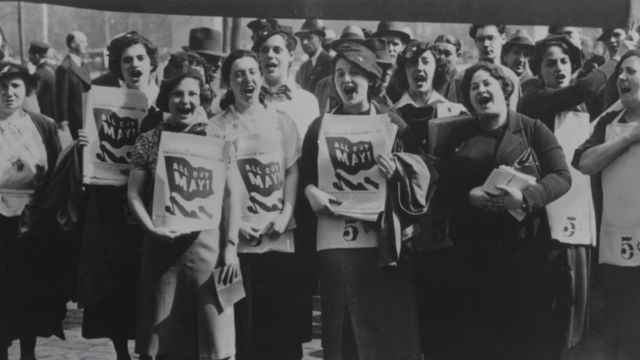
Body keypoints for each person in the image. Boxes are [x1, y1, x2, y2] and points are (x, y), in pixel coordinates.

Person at [299, 41, 424, 360]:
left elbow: (424, 176)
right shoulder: (319, 127)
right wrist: (311, 192)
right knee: (342, 338)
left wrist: (399, 170)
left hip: (382, 248)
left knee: (385, 339)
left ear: (372, 79)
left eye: (355, 72)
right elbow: (304, 179)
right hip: (337, 248)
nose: (346, 80)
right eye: (339, 73)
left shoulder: (393, 125)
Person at [439, 62, 571, 360]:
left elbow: (561, 177)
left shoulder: (532, 128)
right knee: (479, 339)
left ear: (504, 88)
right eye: (474, 87)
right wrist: (467, 196)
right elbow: (440, 183)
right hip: (471, 255)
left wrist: (525, 199)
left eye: (487, 84)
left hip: (524, 252)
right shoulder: (459, 135)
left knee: (523, 338)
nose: (481, 91)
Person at [520, 35, 628, 356]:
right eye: (550, 63)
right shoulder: (535, 98)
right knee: (551, 306)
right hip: (546, 216)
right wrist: (616, 57)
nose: (559, 68)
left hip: (579, 212)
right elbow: (587, 86)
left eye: (564, 62)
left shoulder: (582, 106)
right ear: (538, 70)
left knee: (578, 304)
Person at [127, 57, 238, 360]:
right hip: (163, 253)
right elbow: (134, 194)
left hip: (208, 251)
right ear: (167, 98)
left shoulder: (219, 138)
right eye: (178, 94)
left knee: (214, 342)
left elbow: (231, 195)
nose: (185, 101)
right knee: (161, 343)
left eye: (192, 94)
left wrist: (230, 246)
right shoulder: (149, 141)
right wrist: (150, 229)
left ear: (201, 97)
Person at [211, 49, 302, 360]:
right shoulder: (216, 126)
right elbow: (213, 188)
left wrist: (286, 214)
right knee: (242, 328)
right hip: (236, 245)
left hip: (278, 239)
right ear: (227, 82)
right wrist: (234, 227)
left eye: (252, 71)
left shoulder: (282, 122)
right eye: (238, 74)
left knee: (280, 328)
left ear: (261, 77)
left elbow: (291, 171)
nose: (247, 79)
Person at [76, 30, 160, 360]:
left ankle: (149, 349)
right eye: (127, 60)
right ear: (118, 66)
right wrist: (85, 145)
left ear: (151, 63)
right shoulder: (105, 101)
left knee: (148, 279)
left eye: (140, 58)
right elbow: (91, 159)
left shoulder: (162, 100)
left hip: (152, 200)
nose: (134, 65)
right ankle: (121, 351)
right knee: (116, 281)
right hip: (111, 200)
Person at [391, 40, 466, 359]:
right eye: (411, 64)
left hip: (446, 228)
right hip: (406, 231)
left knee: (444, 320)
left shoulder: (457, 114)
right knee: (407, 318)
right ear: (403, 70)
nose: (418, 69)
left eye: (425, 62)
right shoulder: (391, 116)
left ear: (437, 68)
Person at [573, 49, 640, 360]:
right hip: (619, 247)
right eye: (620, 73)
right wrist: (629, 137)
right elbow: (585, 162)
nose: (622, 79)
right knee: (620, 332)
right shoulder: (609, 122)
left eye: (631, 72)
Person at [0, 62, 63, 360]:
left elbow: (57, 174)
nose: (8, 92)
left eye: (15, 85)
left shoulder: (42, 125)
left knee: (29, 293)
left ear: (25, 89)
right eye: (2, 86)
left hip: (33, 223)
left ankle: (29, 354)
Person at [254, 21, 320, 137]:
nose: (269, 55)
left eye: (277, 50)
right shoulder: (248, 98)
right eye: (264, 50)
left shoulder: (308, 102)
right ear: (259, 57)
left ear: (290, 56)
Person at [451, 24, 521, 110]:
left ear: (503, 39)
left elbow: (515, 113)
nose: (486, 44)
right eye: (480, 40)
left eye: (490, 38)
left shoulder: (511, 77)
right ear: (475, 42)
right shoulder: (461, 78)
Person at [314, 25, 366, 114]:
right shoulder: (322, 85)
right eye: (346, 47)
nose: (350, 53)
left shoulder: (369, 85)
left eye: (355, 47)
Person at [56, 30, 91, 140]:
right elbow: (62, 96)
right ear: (72, 44)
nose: (86, 44)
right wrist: (63, 119)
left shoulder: (83, 64)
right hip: (76, 116)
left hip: (88, 112)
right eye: (82, 41)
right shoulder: (65, 67)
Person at [295, 18, 331, 93]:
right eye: (302, 39)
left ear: (320, 39)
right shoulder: (303, 67)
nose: (304, 42)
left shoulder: (330, 62)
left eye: (309, 38)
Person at [28, 41, 57, 119]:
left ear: (37, 56)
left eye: (30, 55)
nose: (29, 58)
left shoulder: (38, 74)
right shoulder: (51, 70)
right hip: (53, 116)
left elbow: (31, 98)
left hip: (43, 116)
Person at [432, 34, 462, 101]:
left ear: (458, 56)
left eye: (447, 53)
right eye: (438, 52)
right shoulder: (427, 80)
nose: (441, 57)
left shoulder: (462, 84)